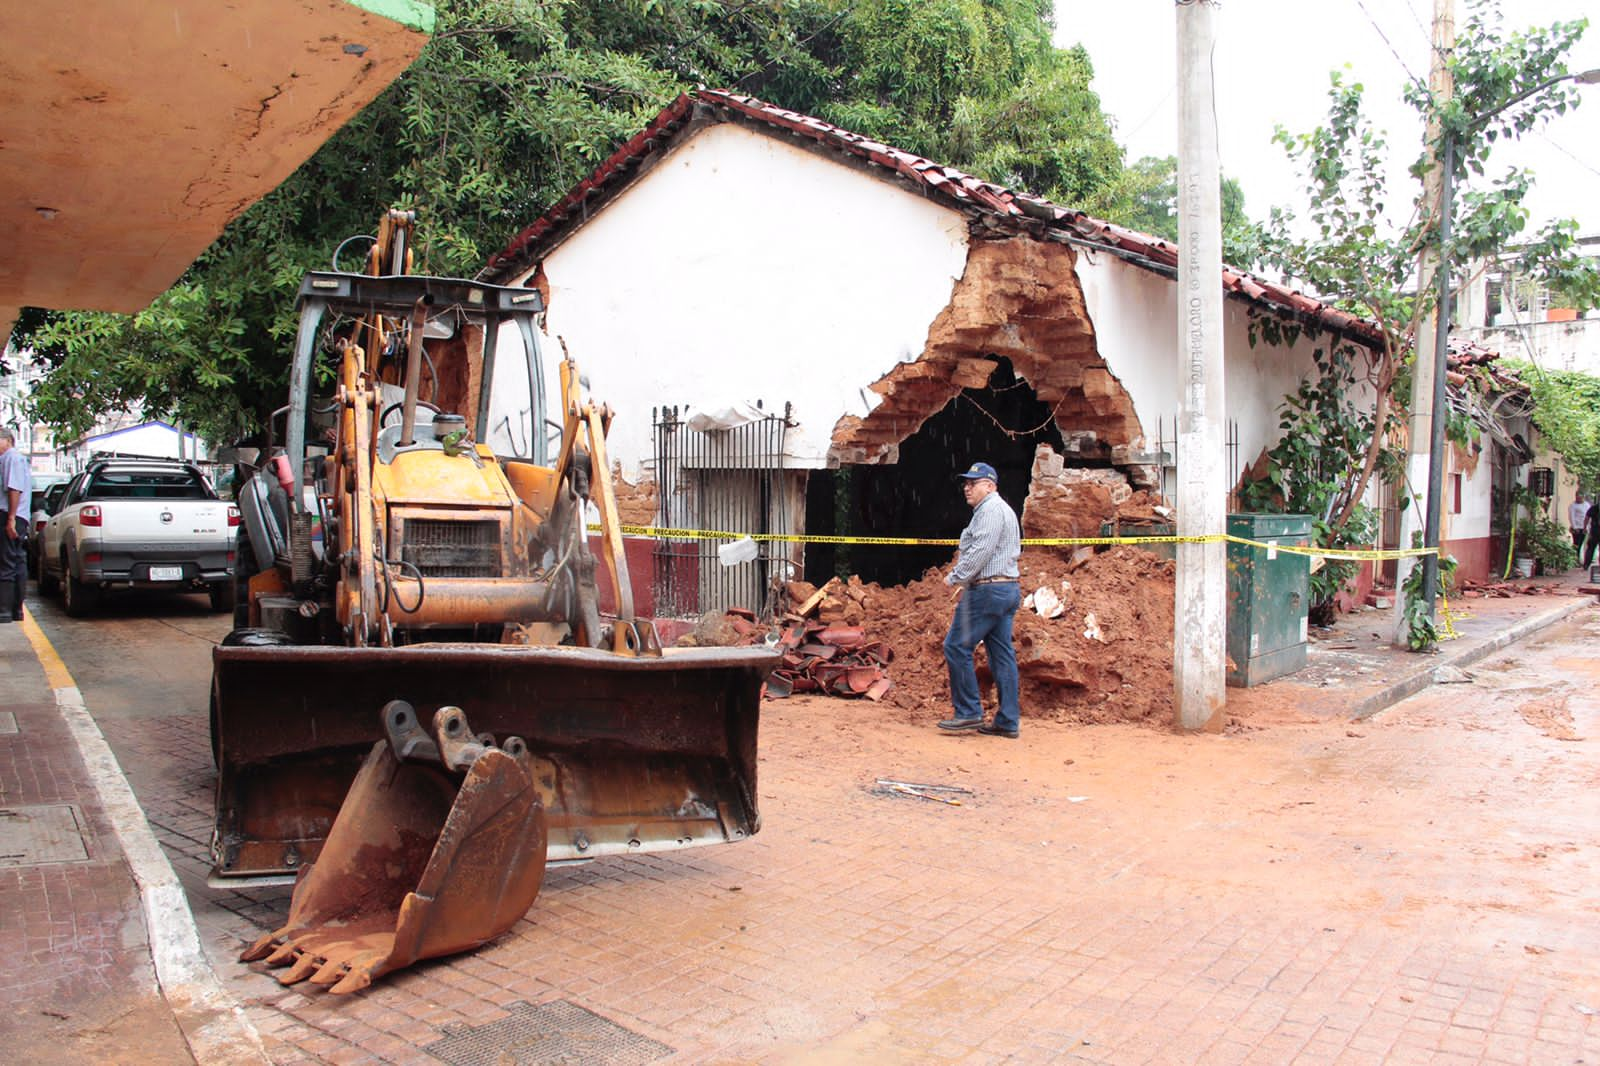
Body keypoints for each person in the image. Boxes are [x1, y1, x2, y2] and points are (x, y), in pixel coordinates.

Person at [938, 461, 1023, 738]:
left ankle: (968, 713)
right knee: (1001, 655)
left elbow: (980, 551)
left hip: (986, 591)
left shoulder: (989, 511)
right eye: (966, 483)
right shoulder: (1002, 510)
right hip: (1006, 589)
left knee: (956, 646)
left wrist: (955, 577)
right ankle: (1008, 721)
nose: (967, 487)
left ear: (990, 485)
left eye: (973, 483)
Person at [0, 427, 33, 624]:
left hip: (10, 515)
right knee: (17, 561)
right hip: (16, 515)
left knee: (6, 563)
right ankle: (15, 609)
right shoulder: (13, 459)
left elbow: (14, 488)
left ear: (7, 440)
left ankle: (5, 610)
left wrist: (11, 517)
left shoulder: (12, 458)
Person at [1582, 496, 1600, 573]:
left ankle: (1586, 565)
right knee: (1592, 548)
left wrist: (1585, 527)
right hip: (1595, 531)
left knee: (1591, 548)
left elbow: (1587, 517)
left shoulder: (1594, 507)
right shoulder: (1594, 507)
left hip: (1595, 531)